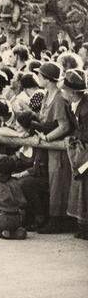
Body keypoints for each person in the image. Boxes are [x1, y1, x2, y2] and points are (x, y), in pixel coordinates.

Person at [34, 62, 74, 234]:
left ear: (48, 79)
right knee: (51, 183)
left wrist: (47, 138)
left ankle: (58, 221)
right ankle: (50, 218)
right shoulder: (45, 95)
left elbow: (64, 126)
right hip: (49, 147)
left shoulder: (58, 98)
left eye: (40, 75)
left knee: (58, 183)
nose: (38, 77)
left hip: (58, 147)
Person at [60, 69, 88, 240]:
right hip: (82, 149)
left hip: (86, 152)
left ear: (73, 92)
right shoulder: (74, 105)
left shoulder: (85, 108)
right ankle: (83, 226)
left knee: (85, 187)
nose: (63, 92)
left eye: (65, 90)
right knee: (81, 189)